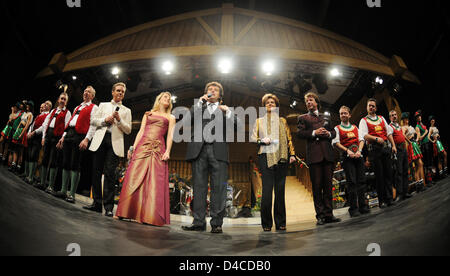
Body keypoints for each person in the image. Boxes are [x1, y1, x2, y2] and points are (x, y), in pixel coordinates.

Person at [182, 82, 240, 234]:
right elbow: (186, 121)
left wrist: (228, 112)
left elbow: (238, 127)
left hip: (218, 151)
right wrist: (199, 103)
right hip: (199, 151)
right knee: (199, 188)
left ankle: (216, 223)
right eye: (209, 89)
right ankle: (198, 222)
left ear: (220, 95)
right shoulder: (199, 107)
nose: (212, 91)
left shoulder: (225, 110)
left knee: (219, 189)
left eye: (215, 90)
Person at [116, 92, 175, 226]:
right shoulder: (148, 114)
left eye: (169, 98)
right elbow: (141, 131)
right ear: (159, 100)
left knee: (154, 181)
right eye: (165, 97)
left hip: (158, 148)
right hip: (143, 146)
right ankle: (127, 211)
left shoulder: (171, 117)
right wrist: (133, 148)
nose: (168, 99)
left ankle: (149, 216)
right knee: (134, 176)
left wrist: (168, 151)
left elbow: (170, 135)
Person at [83, 82, 132, 217]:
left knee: (110, 174)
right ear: (112, 92)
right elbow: (93, 120)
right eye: (118, 90)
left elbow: (128, 130)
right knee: (96, 172)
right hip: (100, 140)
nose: (120, 93)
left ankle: (109, 207)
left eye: (122, 91)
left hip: (114, 143)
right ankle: (97, 204)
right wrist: (105, 120)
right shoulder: (103, 105)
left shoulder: (127, 111)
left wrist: (119, 120)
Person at [251, 94, 296, 231]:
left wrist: (292, 154)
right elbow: (253, 138)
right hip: (265, 156)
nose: (270, 104)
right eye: (267, 102)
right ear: (264, 106)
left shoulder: (283, 121)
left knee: (280, 191)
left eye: (273, 102)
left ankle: (281, 222)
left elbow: (289, 138)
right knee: (267, 192)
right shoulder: (259, 121)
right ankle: (266, 223)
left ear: (276, 106)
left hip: (282, 157)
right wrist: (261, 141)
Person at [297, 92, 341, 226]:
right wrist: (314, 133)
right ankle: (320, 216)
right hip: (314, 157)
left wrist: (328, 134)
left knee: (328, 187)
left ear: (316, 102)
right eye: (307, 101)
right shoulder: (302, 118)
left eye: (311, 100)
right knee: (317, 187)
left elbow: (334, 132)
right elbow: (299, 133)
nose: (309, 103)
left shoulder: (326, 117)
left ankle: (329, 214)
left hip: (327, 155)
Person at [54, 86, 98, 203]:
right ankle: (63, 191)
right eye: (85, 91)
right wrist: (63, 136)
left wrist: (87, 139)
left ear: (92, 96)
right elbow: (69, 122)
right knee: (65, 163)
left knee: (75, 164)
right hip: (69, 134)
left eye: (89, 92)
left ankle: (72, 194)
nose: (86, 93)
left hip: (80, 136)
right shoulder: (77, 107)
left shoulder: (94, 107)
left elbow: (93, 125)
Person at [332, 106, 370, 218]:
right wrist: (347, 151)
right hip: (347, 158)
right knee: (352, 183)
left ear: (349, 115)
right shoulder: (337, 128)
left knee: (362, 181)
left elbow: (361, 140)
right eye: (341, 113)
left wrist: (359, 150)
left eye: (345, 113)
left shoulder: (355, 127)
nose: (343, 115)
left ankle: (363, 206)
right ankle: (353, 208)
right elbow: (336, 143)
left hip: (358, 156)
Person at [359, 98, 397, 209]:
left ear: (376, 108)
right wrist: (376, 139)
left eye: (373, 106)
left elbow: (389, 132)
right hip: (374, 149)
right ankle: (382, 201)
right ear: (367, 107)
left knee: (388, 174)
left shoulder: (381, 118)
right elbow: (364, 135)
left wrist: (393, 145)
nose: (371, 107)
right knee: (379, 176)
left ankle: (390, 198)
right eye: (369, 105)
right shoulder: (363, 120)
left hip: (385, 148)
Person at [42, 93, 72, 194]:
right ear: (58, 100)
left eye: (65, 99)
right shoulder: (53, 111)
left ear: (66, 102)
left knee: (54, 160)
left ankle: (50, 185)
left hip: (57, 137)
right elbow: (46, 123)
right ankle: (42, 183)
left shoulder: (67, 112)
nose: (63, 100)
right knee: (45, 158)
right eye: (61, 98)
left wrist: (62, 138)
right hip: (48, 135)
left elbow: (67, 127)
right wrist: (43, 137)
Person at [25, 101, 51, 185]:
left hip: (38, 136)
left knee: (34, 155)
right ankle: (27, 175)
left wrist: (34, 132)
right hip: (32, 135)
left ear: (49, 107)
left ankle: (31, 177)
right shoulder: (39, 115)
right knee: (29, 155)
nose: (44, 105)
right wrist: (29, 132)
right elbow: (33, 124)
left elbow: (43, 126)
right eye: (44, 104)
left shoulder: (48, 115)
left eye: (46, 104)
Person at [389, 110, 412, 201]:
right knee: (399, 172)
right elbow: (389, 139)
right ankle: (399, 194)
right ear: (390, 117)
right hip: (397, 149)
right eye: (392, 115)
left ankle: (405, 192)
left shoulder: (399, 126)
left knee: (405, 170)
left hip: (403, 148)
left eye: (395, 115)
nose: (394, 116)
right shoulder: (390, 127)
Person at [401, 112, 426, 190]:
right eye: (405, 119)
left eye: (407, 118)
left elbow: (417, 133)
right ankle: (419, 183)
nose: (407, 120)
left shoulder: (410, 127)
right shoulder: (404, 127)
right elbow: (403, 135)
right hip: (412, 145)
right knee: (418, 163)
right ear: (403, 120)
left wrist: (417, 138)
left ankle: (419, 182)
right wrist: (409, 141)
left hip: (415, 144)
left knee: (419, 164)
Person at [12, 100, 34, 175]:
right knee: (15, 149)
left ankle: (18, 168)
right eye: (27, 105)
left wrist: (21, 134)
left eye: (29, 105)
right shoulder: (24, 113)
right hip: (19, 129)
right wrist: (16, 131)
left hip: (23, 131)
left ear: (31, 107)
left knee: (20, 151)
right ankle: (13, 165)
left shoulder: (30, 114)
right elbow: (20, 122)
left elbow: (27, 125)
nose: (27, 106)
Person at [415, 110, 434, 186]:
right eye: (417, 117)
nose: (419, 117)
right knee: (426, 162)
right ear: (416, 118)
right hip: (424, 145)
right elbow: (419, 137)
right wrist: (423, 136)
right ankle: (428, 181)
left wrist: (425, 133)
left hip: (427, 143)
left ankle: (431, 179)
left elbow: (426, 130)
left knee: (429, 161)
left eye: (419, 116)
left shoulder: (422, 124)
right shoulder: (417, 127)